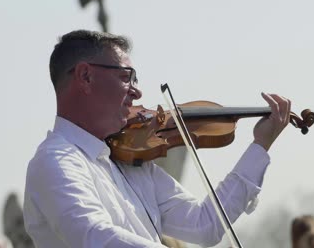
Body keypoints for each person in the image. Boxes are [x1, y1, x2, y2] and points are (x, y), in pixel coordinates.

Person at [23, 29, 292, 247]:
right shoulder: (55, 160)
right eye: (126, 77)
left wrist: (260, 145)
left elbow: (204, 225)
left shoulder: (129, 161)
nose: (137, 92)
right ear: (85, 76)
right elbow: (96, 237)